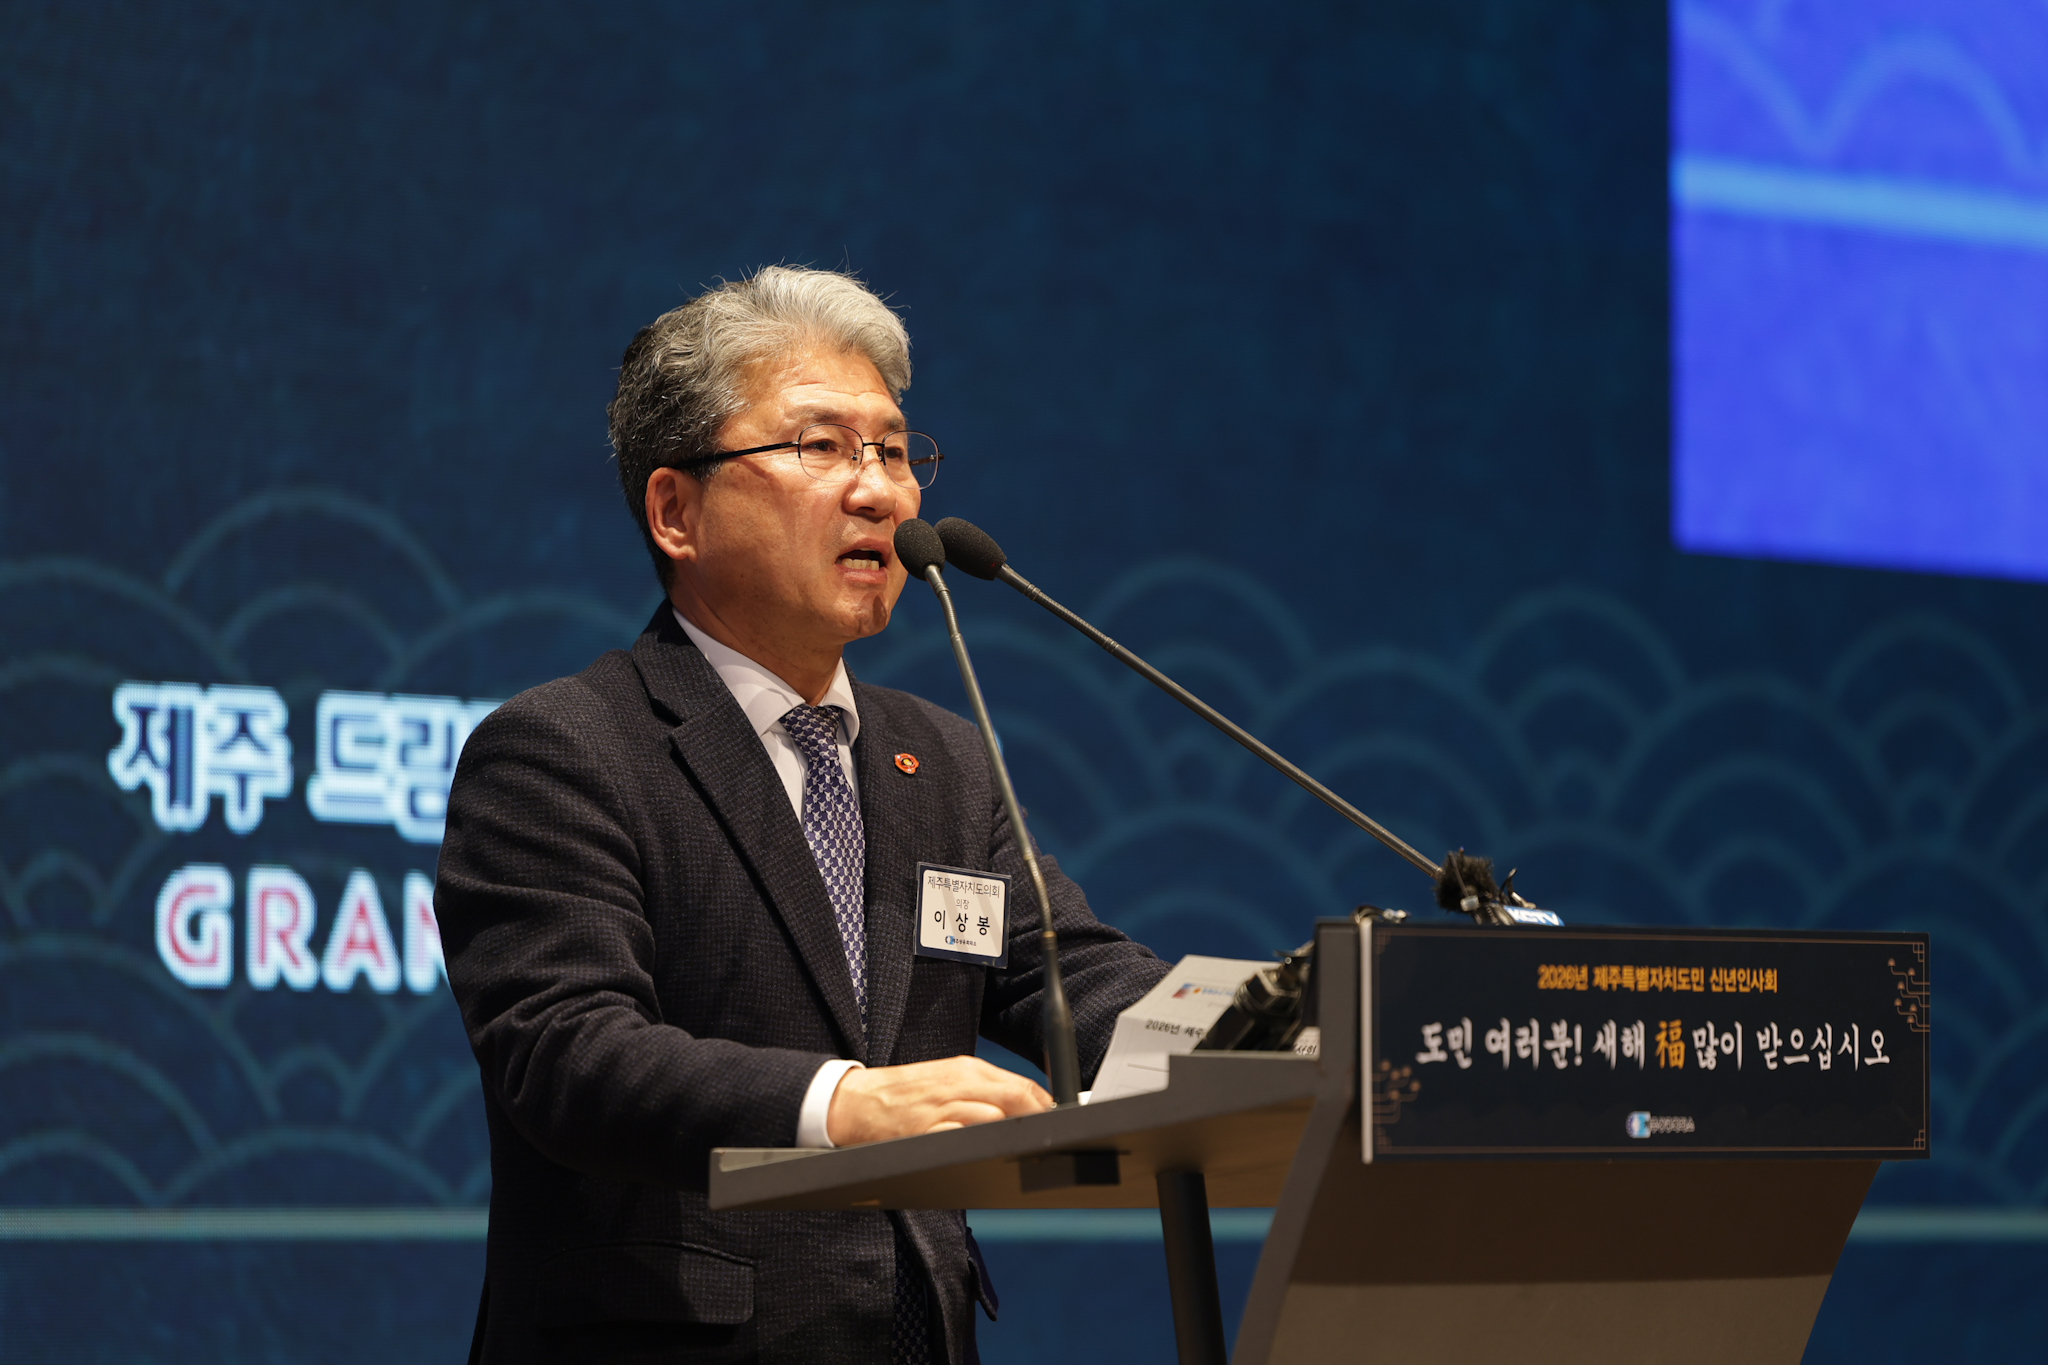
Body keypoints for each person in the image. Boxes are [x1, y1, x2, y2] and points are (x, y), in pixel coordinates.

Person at [438, 265, 1170, 1365]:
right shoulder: (567, 749)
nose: (879, 492)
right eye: (821, 446)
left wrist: (1283, 1034)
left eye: (893, 451)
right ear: (676, 511)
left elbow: (1073, 979)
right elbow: (567, 1053)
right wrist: (844, 1105)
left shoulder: (942, 760)